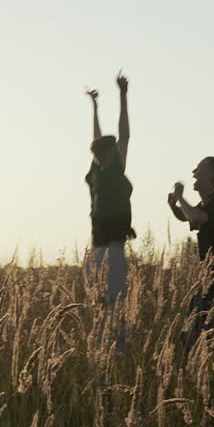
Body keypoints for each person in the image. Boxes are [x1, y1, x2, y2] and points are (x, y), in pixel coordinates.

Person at [167, 156, 214, 346]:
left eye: (199, 169)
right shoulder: (207, 203)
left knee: (203, 332)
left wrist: (180, 196)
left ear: (210, 175)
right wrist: (174, 206)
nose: (194, 173)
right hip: (208, 278)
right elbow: (186, 216)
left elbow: (196, 217)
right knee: (191, 329)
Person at [85, 74, 136, 320]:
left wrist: (123, 96)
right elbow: (97, 139)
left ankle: (118, 348)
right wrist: (95, 107)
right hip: (97, 245)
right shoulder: (96, 171)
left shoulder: (116, 170)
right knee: (99, 307)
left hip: (114, 245)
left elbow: (124, 135)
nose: (117, 149)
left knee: (115, 305)